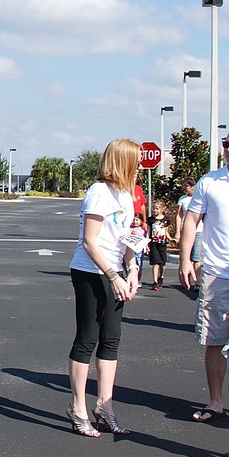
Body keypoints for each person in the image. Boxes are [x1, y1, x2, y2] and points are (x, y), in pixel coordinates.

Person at [66, 140, 140, 437]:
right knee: (87, 338)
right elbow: (89, 241)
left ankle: (104, 406)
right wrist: (113, 275)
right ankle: (78, 407)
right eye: (135, 161)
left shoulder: (126, 194)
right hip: (90, 272)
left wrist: (132, 269)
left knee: (111, 339)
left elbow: (127, 237)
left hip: (117, 271)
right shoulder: (99, 193)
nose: (139, 166)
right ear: (121, 161)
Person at [179, 136, 229, 422]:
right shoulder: (209, 182)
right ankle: (215, 402)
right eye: (226, 143)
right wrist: (185, 259)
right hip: (217, 273)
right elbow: (191, 220)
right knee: (215, 340)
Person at [176, 178, 202, 294]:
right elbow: (179, 216)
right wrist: (178, 231)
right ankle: (188, 280)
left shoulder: (200, 197)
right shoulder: (183, 199)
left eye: (187, 186)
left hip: (200, 230)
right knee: (188, 257)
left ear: (192, 186)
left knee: (197, 257)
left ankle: (197, 282)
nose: (186, 188)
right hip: (187, 231)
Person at [147, 203, 168, 291]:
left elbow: (166, 232)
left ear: (162, 209)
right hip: (154, 243)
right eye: (154, 209)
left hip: (162, 243)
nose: (155, 210)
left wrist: (172, 239)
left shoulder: (166, 220)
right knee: (155, 262)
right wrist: (147, 243)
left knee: (162, 263)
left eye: (157, 209)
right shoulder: (151, 220)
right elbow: (148, 232)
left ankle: (161, 277)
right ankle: (155, 281)